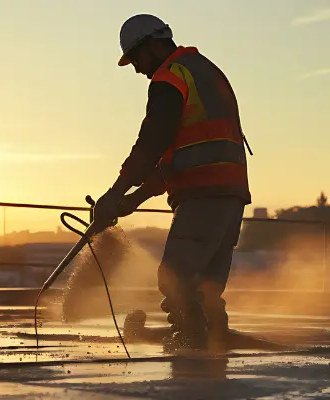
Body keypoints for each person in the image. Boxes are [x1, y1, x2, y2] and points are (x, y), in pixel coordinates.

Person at [91, 14, 253, 354]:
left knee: (175, 278)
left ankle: (193, 349)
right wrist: (134, 199)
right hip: (229, 192)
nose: (137, 69)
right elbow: (183, 153)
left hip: (203, 196)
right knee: (206, 287)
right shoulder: (203, 71)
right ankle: (215, 346)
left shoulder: (170, 77)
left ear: (152, 45)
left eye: (136, 59)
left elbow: (152, 142)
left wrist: (114, 192)